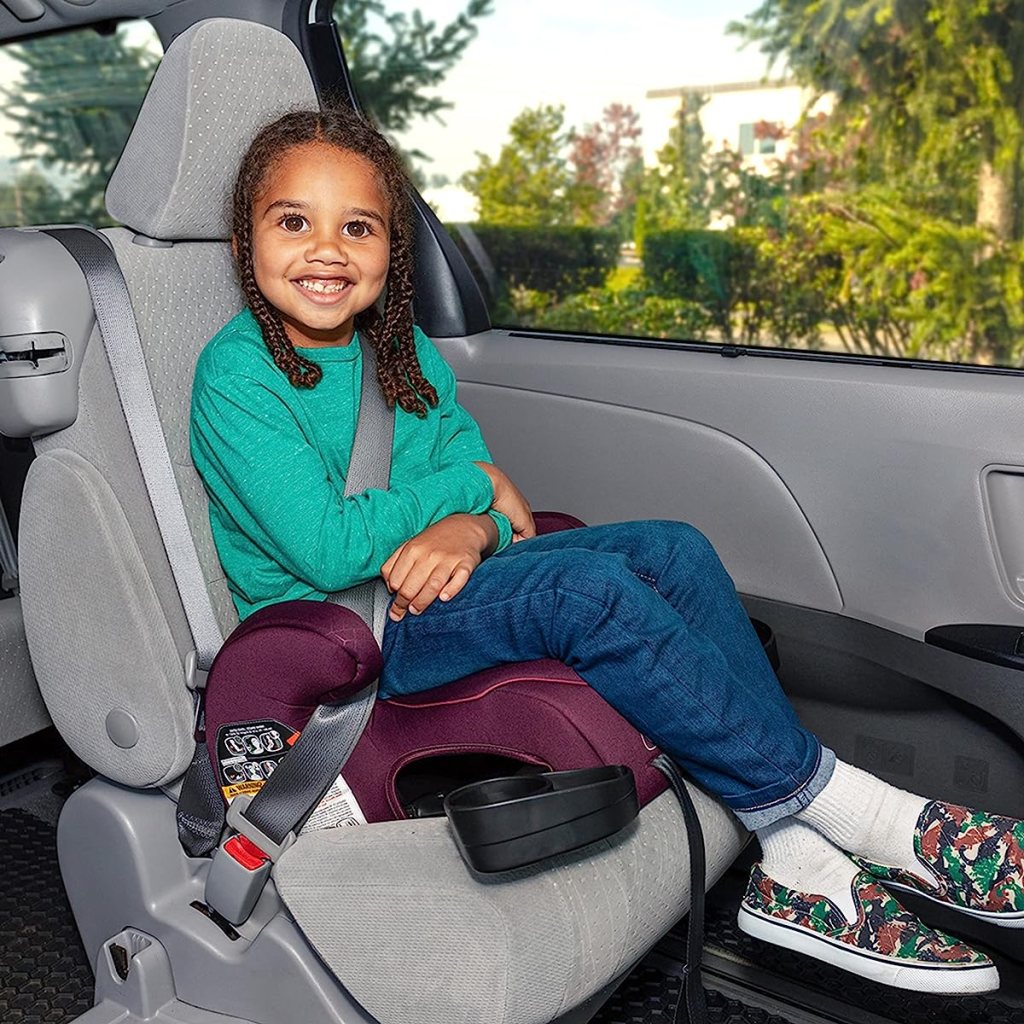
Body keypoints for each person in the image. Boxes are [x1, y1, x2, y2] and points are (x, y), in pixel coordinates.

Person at [190, 106, 1024, 996]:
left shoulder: (405, 359)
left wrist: (472, 525)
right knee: (586, 592)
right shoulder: (236, 374)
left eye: (357, 227)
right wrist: (467, 499)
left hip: (437, 587)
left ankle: (790, 858)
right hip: (343, 637)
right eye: (294, 222)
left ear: (391, 251)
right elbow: (330, 546)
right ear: (249, 240)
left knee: (674, 548)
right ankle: (865, 817)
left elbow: (499, 511)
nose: (327, 250)